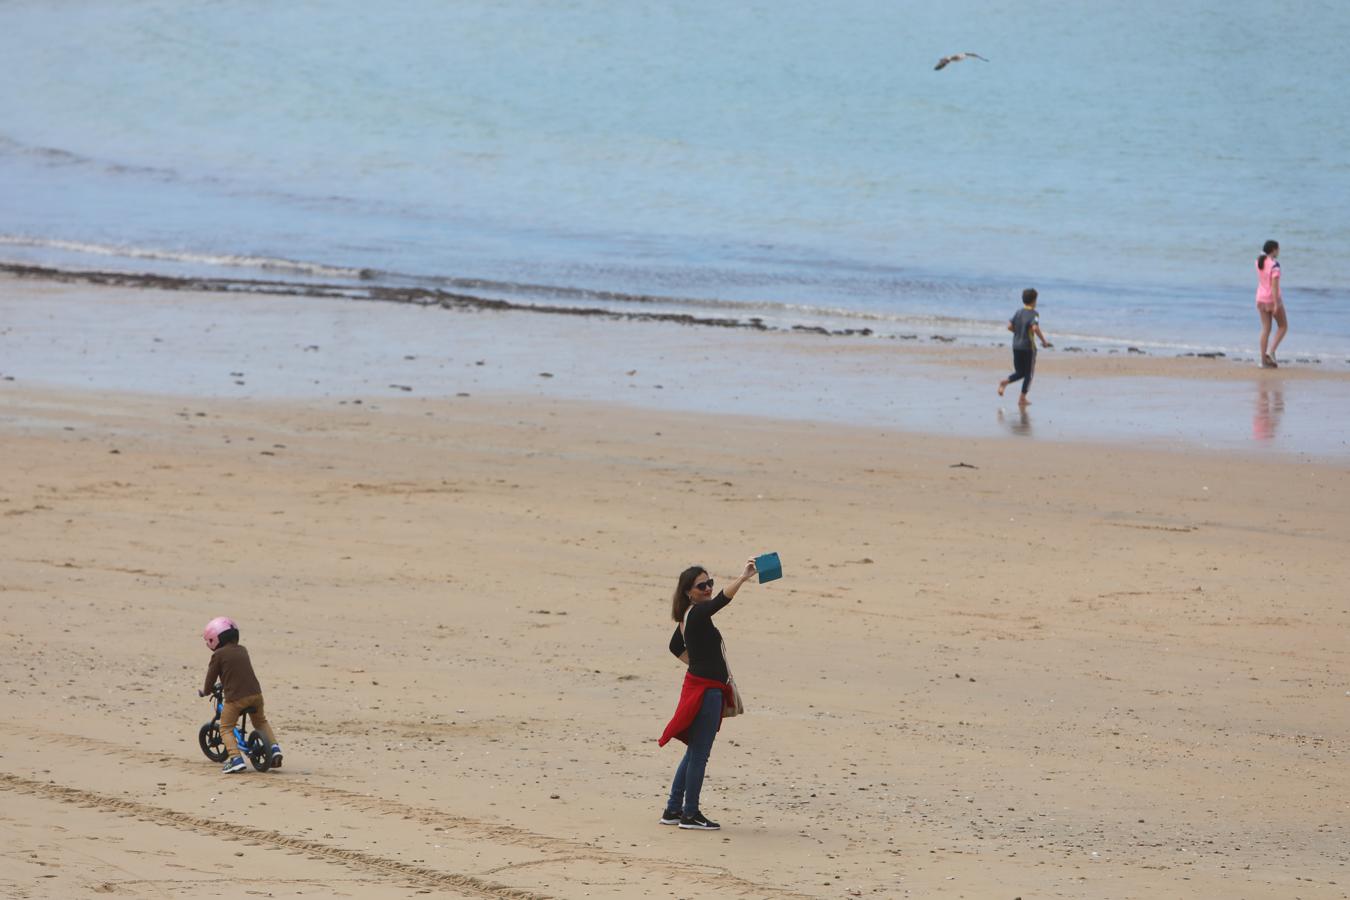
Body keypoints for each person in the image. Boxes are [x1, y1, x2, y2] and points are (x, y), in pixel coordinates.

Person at [657, 558, 757, 831]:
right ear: (689, 591)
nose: (709, 588)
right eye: (702, 586)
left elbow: (674, 646)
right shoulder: (698, 613)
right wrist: (743, 577)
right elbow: (722, 601)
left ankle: (673, 809)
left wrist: (699, 662)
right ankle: (690, 814)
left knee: (694, 752)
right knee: (699, 754)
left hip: (698, 685)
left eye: (710, 583)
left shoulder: (686, 618)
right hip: (706, 692)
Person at [200, 616, 283, 774]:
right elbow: (237, 672)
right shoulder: (242, 649)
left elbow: (210, 678)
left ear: (214, 640)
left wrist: (206, 691)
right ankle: (274, 748)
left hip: (236, 699)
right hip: (256, 695)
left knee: (225, 727)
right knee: (261, 722)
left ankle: (235, 759)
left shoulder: (218, 655)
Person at [997, 288, 1052, 406]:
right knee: (1029, 374)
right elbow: (1035, 328)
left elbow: (1009, 326)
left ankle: (1005, 382)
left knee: (1020, 372)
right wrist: (1044, 341)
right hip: (1028, 348)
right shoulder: (1034, 313)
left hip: (1016, 346)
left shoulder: (1018, 312)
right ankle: (1022, 398)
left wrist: (1019, 333)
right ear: (1034, 301)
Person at [1256, 240, 1288, 368]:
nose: (1279, 251)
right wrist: (1276, 304)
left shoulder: (1258, 261)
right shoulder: (1275, 265)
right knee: (1283, 326)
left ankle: (1263, 361)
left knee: (1265, 329)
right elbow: (1274, 287)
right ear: (1274, 250)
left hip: (1260, 298)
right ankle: (1271, 351)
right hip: (1271, 299)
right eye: (1278, 249)